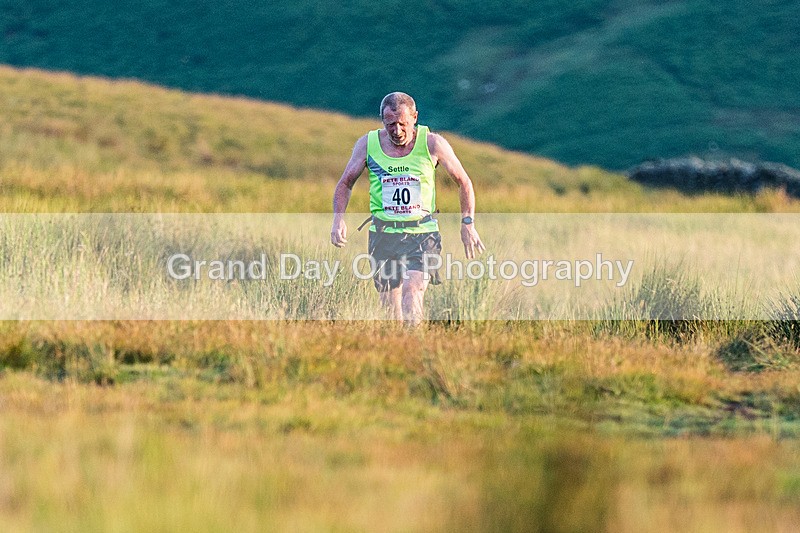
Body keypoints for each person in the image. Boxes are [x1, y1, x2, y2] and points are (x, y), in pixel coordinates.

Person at [331, 92, 485, 325]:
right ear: (382, 120)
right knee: (390, 311)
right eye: (390, 124)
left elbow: (464, 181)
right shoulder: (368, 144)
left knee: (411, 292)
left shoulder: (433, 143)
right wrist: (338, 219)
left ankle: (417, 348)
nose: (397, 130)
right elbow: (345, 183)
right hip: (383, 234)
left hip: (422, 234)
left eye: (403, 123)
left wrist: (468, 223)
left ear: (415, 117)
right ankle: (400, 352)